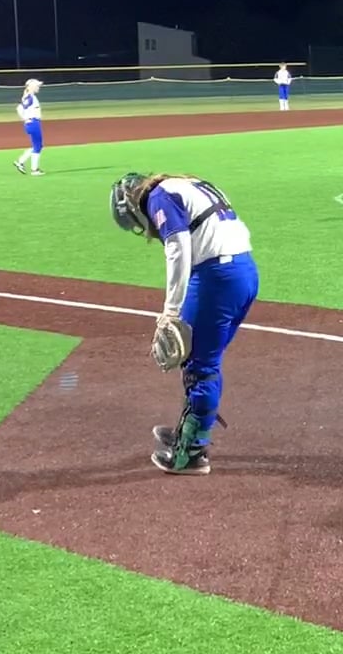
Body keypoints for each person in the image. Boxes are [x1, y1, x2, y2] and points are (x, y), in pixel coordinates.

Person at [109, 171, 259, 475]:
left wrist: (171, 312)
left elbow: (178, 249)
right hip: (243, 271)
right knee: (205, 361)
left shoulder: (158, 196)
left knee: (199, 367)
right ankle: (190, 431)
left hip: (216, 277)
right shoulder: (184, 184)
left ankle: (191, 453)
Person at [13, 78, 45, 176]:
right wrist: (26, 118)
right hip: (33, 123)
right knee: (37, 147)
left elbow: (20, 108)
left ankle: (20, 162)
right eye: (37, 86)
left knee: (37, 146)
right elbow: (19, 108)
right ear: (32, 86)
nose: (39, 87)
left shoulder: (28, 96)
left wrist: (25, 119)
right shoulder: (30, 97)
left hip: (32, 123)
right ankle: (34, 170)